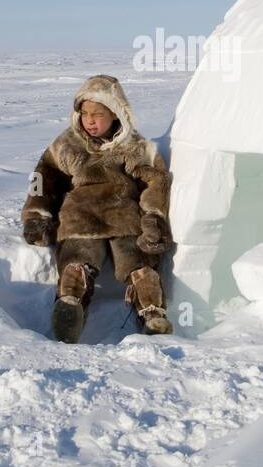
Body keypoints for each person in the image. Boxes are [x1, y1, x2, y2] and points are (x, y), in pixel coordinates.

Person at [21, 74, 174, 343]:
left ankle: (151, 311)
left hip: (123, 215)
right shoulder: (66, 145)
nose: (90, 120)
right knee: (78, 256)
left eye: (98, 114)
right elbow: (42, 178)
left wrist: (153, 216)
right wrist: (37, 214)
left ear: (116, 114)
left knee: (137, 259)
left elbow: (156, 180)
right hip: (81, 214)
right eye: (85, 113)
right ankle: (70, 302)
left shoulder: (135, 146)